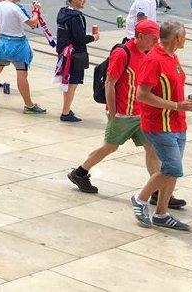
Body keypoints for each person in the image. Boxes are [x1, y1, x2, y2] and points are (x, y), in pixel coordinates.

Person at [68, 19, 163, 199]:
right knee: (110, 147)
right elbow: (110, 83)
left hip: (140, 112)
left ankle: (157, 191)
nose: (156, 42)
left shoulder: (148, 51)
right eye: (153, 39)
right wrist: (112, 112)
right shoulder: (122, 53)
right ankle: (79, 173)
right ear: (140, 36)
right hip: (122, 114)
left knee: (151, 148)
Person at [130, 21, 192, 231]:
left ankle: (161, 213)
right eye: (184, 34)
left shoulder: (173, 57)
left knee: (172, 172)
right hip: (159, 125)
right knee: (173, 168)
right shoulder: (154, 60)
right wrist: (177, 105)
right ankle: (140, 199)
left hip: (177, 123)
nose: (186, 38)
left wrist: (182, 104)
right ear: (177, 37)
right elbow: (142, 95)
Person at [0, 0, 44, 114]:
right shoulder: (16, 8)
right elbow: (32, 23)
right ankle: (29, 105)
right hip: (18, 44)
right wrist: (36, 11)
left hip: (3, 42)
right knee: (22, 73)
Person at [55, 0, 99, 123]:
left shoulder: (62, 13)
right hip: (75, 54)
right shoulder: (77, 17)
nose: (84, 0)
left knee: (67, 82)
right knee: (72, 83)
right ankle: (66, 113)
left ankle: (66, 108)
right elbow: (79, 38)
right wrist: (93, 37)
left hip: (64, 52)